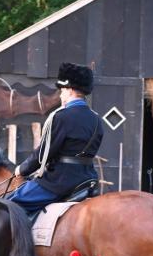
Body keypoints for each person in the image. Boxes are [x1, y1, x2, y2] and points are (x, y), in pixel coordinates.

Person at [8, 62, 104, 213]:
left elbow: (43, 155)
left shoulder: (61, 117)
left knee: (10, 206)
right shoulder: (97, 119)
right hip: (88, 180)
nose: (60, 94)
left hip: (60, 181)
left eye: (62, 90)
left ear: (70, 89)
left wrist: (22, 169)